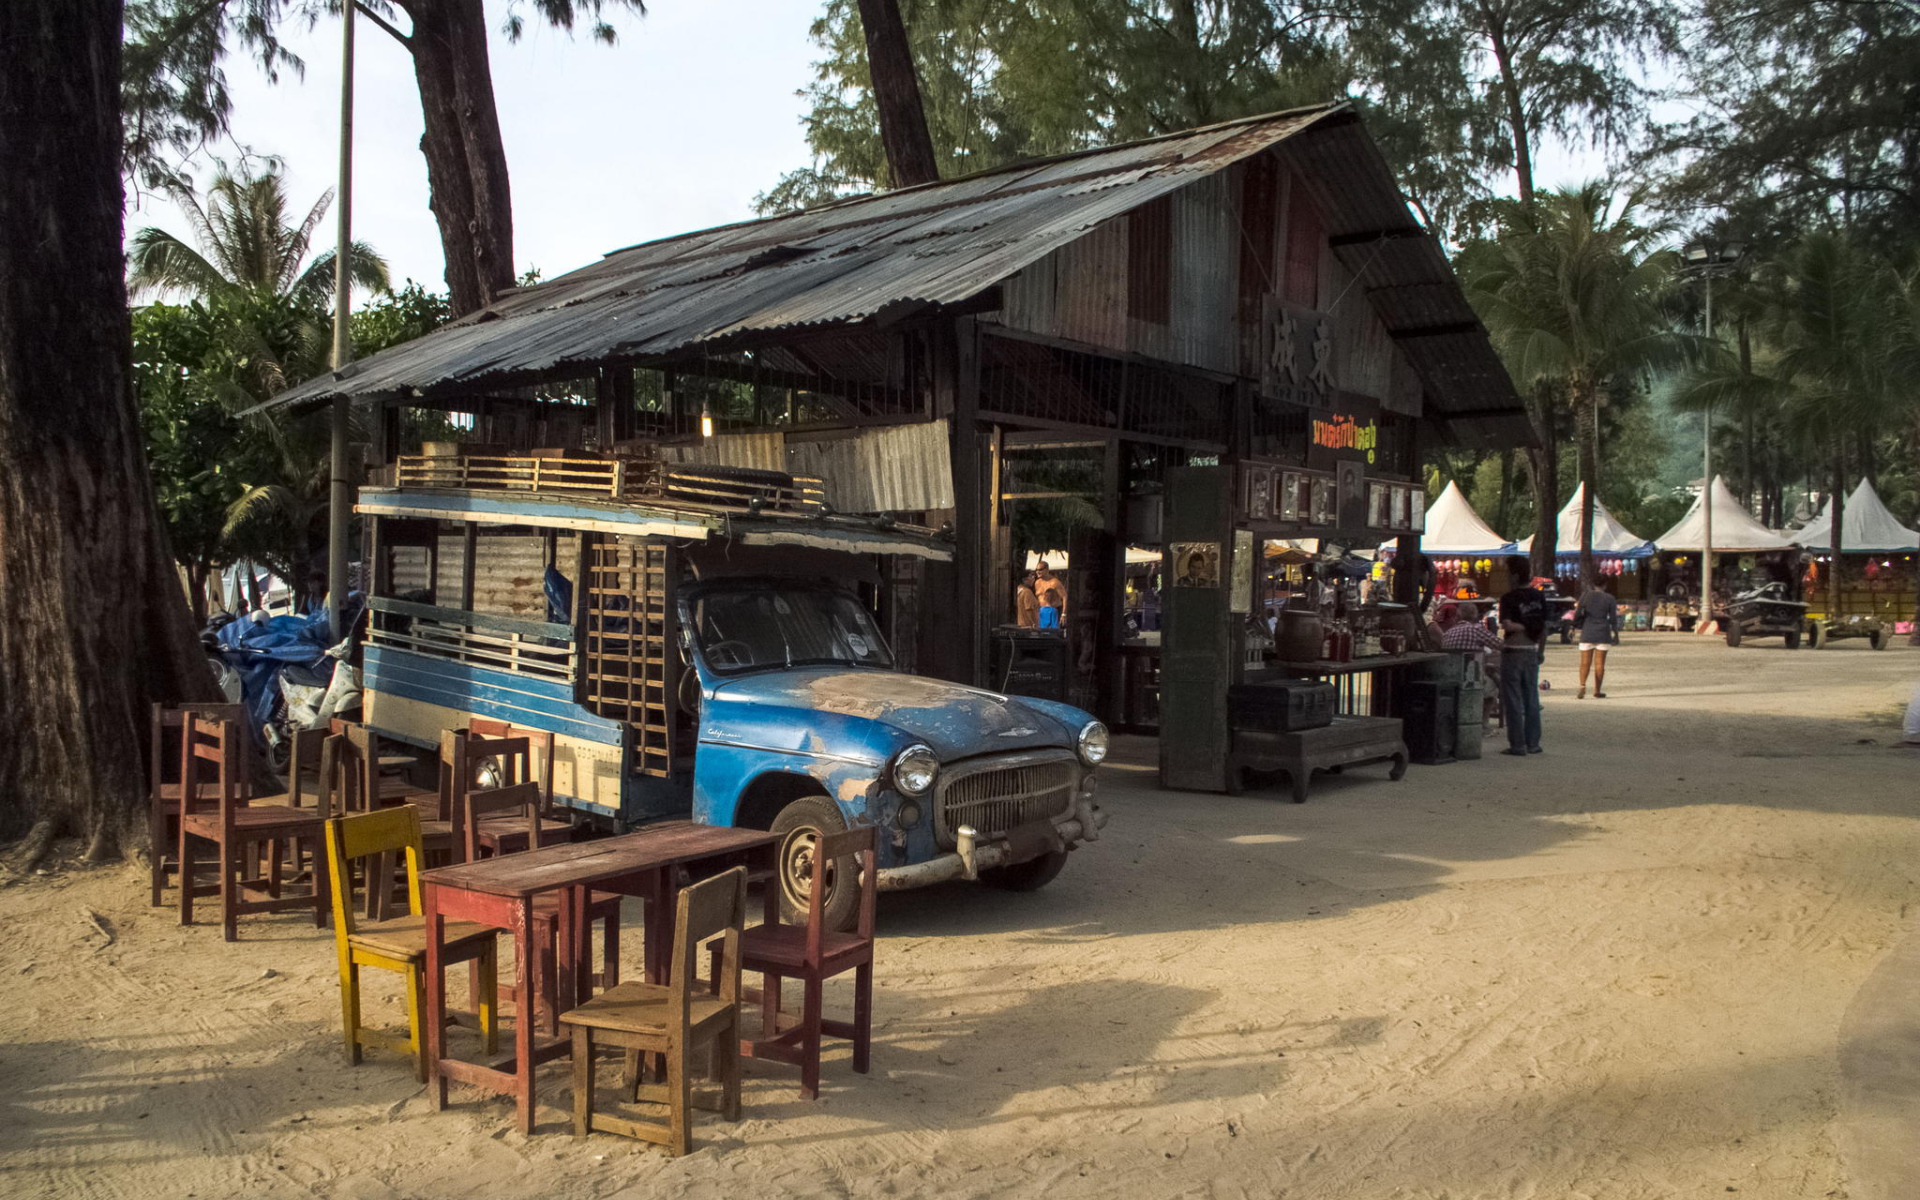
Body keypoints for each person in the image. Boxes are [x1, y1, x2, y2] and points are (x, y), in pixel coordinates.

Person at [1496, 556, 1547, 756]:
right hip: (1531, 651)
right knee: (1531, 698)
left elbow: (1507, 625)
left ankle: (1517, 744)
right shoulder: (1539, 596)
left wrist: (1520, 626)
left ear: (1515, 575)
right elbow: (1544, 627)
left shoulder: (1508, 598)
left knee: (1513, 699)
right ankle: (1533, 743)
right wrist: (1541, 651)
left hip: (1513, 651)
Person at [1573, 582, 1620, 698]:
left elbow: (1578, 612)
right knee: (1600, 664)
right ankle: (1597, 691)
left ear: (1593, 585)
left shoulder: (1585, 595)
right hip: (1603, 632)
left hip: (1587, 630)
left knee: (1585, 663)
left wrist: (1574, 626)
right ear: (1605, 586)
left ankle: (1582, 686)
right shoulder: (1610, 598)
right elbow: (1613, 618)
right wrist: (1616, 633)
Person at [1035, 562, 1066, 629]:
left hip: (1053, 611)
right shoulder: (1037, 583)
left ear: (1047, 570)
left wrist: (1063, 614)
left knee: (1053, 634)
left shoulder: (1055, 582)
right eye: (1036, 570)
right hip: (1042, 612)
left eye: (1040, 570)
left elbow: (1065, 597)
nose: (1037, 572)